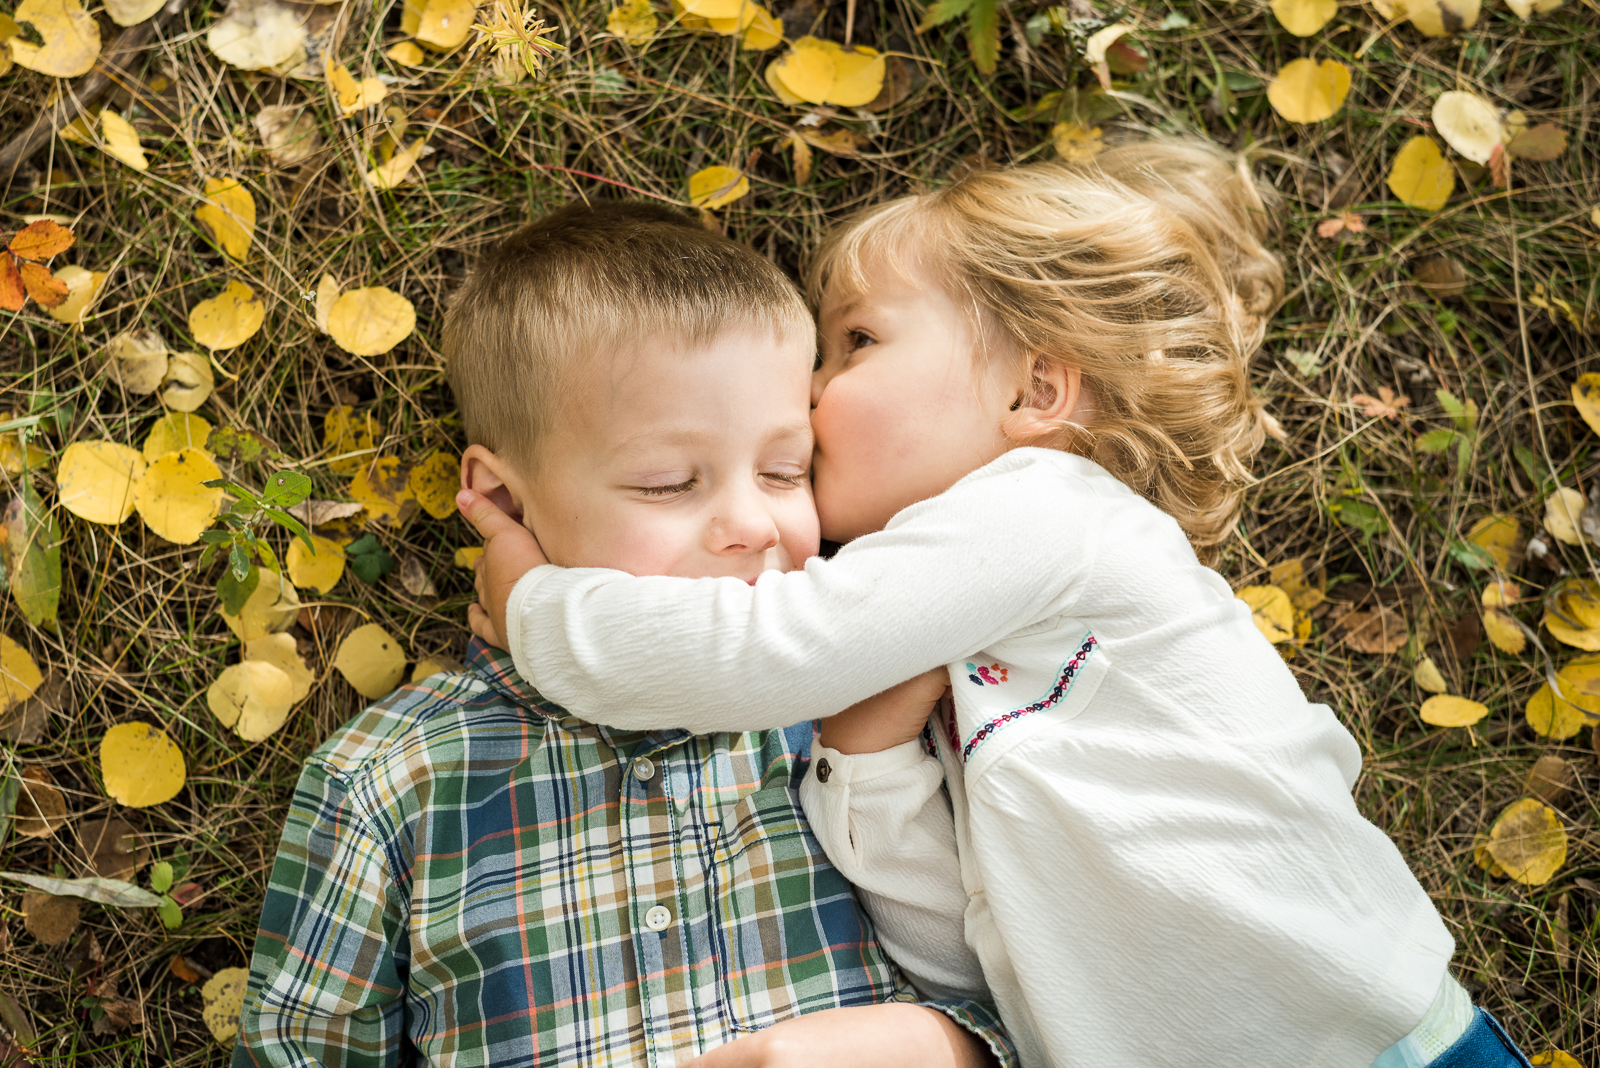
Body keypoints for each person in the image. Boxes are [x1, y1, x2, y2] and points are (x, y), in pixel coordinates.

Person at [458, 140, 1536, 1068]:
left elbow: (772, 648)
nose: (817, 393)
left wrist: (540, 605)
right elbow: (963, 950)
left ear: (1033, 393)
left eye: (859, 343)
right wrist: (869, 765)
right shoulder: (949, 627)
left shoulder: (1051, 513)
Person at [232, 200, 1014, 1068]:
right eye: (668, 482)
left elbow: (1035, 988)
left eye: (787, 471)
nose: (752, 522)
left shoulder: (862, 718)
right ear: (504, 501)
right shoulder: (393, 779)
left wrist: (947, 1046)